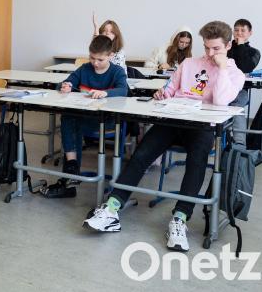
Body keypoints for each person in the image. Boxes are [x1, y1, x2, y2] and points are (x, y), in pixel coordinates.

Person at [83, 21, 244, 252]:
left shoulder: (235, 74)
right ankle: (112, 208)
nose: (209, 54)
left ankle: (179, 219)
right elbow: (171, 88)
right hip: (173, 119)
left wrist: (221, 68)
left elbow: (220, 100)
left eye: (216, 49)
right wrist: (163, 93)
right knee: (142, 154)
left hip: (202, 127)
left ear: (228, 45)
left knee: (197, 162)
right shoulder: (189, 63)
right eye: (207, 47)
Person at [42, 35, 128, 199]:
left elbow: (123, 90)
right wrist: (66, 86)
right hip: (84, 117)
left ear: (110, 56)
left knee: (72, 124)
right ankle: (72, 167)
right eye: (92, 58)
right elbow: (66, 82)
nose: (95, 63)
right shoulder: (84, 69)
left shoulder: (117, 72)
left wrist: (105, 93)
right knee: (68, 117)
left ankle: (70, 173)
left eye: (100, 59)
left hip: (105, 121)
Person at [227, 18, 261, 144]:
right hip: (222, 87)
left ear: (250, 33)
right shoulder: (226, 48)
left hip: (240, 91)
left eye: (243, 30)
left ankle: (239, 144)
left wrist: (241, 45)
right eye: (236, 30)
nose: (239, 33)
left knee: (236, 107)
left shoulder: (254, 52)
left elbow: (245, 67)